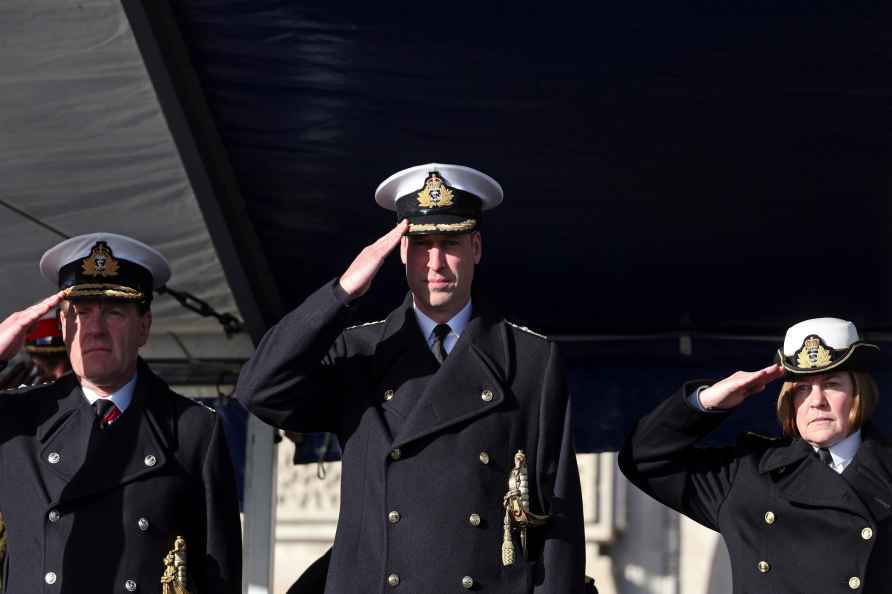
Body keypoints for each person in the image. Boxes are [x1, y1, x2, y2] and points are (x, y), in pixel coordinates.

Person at [236, 163, 586, 593]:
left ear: (476, 247)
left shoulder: (531, 361)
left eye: (450, 243)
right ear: (401, 252)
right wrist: (342, 292)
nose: (435, 263)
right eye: (421, 245)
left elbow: (559, 518)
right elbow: (259, 388)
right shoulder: (360, 352)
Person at [0, 232, 241, 593]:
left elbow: (218, 576)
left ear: (144, 327)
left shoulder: (193, 431)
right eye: (80, 313)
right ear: (64, 327)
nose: (93, 330)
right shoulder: (21, 420)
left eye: (112, 312)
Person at [619, 317, 892, 594]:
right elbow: (642, 458)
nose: (817, 401)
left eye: (832, 384)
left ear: (859, 392)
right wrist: (707, 401)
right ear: (790, 400)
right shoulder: (749, 474)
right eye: (803, 388)